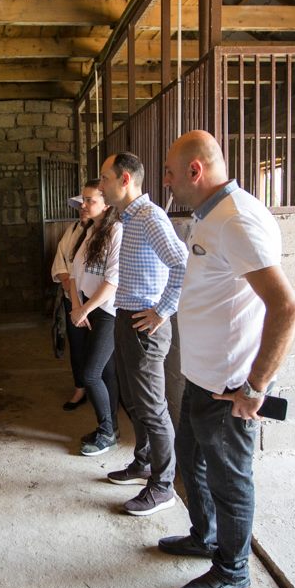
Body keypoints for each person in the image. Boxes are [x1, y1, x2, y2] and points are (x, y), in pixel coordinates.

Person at [159, 130, 295, 588]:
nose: (167, 182)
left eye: (171, 174)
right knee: (191, 459)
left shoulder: (236, 220)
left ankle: (233, 568)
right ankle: (205, 536)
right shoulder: (210, 216)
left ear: (195, 170)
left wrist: (255, 387)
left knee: (229, 479)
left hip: (229, 386)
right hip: (201, 377)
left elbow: (286, 308)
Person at [97, 152, 188, 516]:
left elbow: (181, 263)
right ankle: (144, 463)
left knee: (151, 406)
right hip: (127, 316)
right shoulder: (128, 218)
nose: (101, 185)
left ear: (125, 180)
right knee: (135, 401)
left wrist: (162, 311)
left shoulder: (150, 217)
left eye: (105, 178)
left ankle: (163, 486)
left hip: (145, 324)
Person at [68, 180, 123, 456]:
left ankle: (106, 432)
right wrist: (77, 306)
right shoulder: (89, 231)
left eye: (90, 200)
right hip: (89, 309)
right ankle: (111, 428)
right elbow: (73, 275)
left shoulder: (116, 231)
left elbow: (112, 281)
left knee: (90, 374)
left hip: (107, 312)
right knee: (106, 372)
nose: (84, 205)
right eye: (84, 200)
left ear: (106, 204)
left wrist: (85, 309)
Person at [49, 197, 93, 411]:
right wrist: (69, 285)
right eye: (79, 206)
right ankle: (80, 388)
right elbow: (60, 262)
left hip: (97, 302)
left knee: (99, 348)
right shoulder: (72, 231)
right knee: (77, 345)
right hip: (72, 300)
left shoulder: (106, 231)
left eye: (87, 204)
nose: (82, 209)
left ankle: (101, 391)